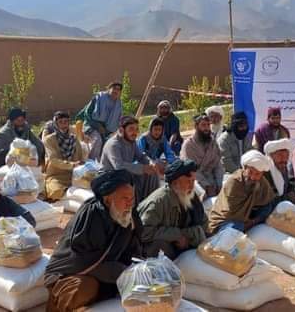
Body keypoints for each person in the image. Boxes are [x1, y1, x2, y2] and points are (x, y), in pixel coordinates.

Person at [44, 170, 143, 311]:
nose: (129, 204)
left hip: (110, 274)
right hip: (72, 272)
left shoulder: (128, 215)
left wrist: (138, 269)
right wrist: (123, 272)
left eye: (132, 199)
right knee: (83, 289)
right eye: (124, 199)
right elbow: (85, 262)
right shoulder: (92, 216)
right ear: (108, 200)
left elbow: (134, 249)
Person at [137, 160, 207, 260]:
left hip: (185, 245)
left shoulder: (189, 195)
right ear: (175, 183)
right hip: (161, 252)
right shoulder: (158, 202)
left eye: (193, 181)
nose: (192, 186)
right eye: (188, 181)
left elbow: (204, 222)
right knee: (159, 245)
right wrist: (176, 236)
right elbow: (144, 232)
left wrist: (189, 237)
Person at [208, 150, 275, 234]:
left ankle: (250, 224)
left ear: (262, 174)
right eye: (250, 172)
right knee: (235, 227)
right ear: (245, 168)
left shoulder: (261, 181)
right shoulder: (234, 182)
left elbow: (269, 199)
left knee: (267, 208)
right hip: (226, 221)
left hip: (247, 217)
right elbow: (231, 212)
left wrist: (253, 220)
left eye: (257, 174)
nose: (253, 177)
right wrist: (249, 222)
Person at [100, 116, 161, 204]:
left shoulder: (131, 141)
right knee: (131, 182)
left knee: (152, 173)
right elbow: (118, 166)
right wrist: (143, 168)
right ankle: (135, 207)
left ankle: (149, 203)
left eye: (136, 129)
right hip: (110, 176)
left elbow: (141, 157)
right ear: (121, 130)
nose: (135, 133)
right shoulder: (113, 144)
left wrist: (151, 163)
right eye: (131, 129)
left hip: (125, 173)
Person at [43, 111, 86, 201]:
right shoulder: (49, 140)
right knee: (56, 192)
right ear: (56, 124)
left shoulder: (74, 138)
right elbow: (53, 160)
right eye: (60, 122)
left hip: (73, 175)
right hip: (57, 175)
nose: (64, 125)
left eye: (66, 122)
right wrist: (72, 165)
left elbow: (80, 156)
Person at [180, 114, 223, 198]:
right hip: (194, 180)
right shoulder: (189, 145)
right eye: (203, 125)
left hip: (212, 178)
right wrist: (207, 186)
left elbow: (218, 165)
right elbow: (191, 170)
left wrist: (219, 183)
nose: (206, 128)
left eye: (208, 125)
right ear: (196, 126)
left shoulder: (213, 143)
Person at [78, 82, 124, 160]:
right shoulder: (99, 97)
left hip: (106, 130)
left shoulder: (118, 104)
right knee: (98, 139)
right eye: (114, 88)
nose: (116, 91)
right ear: (109, 89)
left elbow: (119, 119)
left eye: (118, 89)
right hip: (91, 125)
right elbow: (87, 113)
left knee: (114, 142)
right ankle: (92, 162)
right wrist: (98, 126)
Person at [263, 139, 295, 206]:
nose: (284, 159)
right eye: (280, 155)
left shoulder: (283, 166)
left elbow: (287, 185)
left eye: (286, 156)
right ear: (271, 155)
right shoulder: (265, 170)